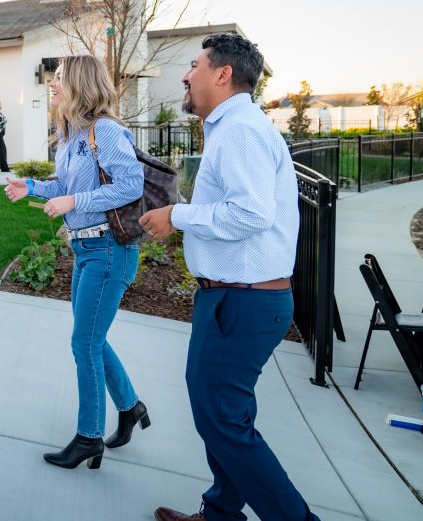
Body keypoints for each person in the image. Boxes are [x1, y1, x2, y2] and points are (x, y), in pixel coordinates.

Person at [139, 33, 320, 521]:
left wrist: (178, 215)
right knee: (226, 415)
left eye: (194, 64)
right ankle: (221, 511)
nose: (185, 74)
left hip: (243, 302)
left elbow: (251, 213)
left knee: (221, 420)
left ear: (222, 74)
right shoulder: (231, 127)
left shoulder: (240, 130)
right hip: (236, 298)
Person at [4, 55, 148, 470]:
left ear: (80, 84)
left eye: (60, 78)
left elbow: (130, 185)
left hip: (109, 252)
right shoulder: (71, 135)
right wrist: (29, 186)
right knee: (92, 339)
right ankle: (131, 407)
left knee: (83, 343)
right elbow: (65, 185)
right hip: (85, 251)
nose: (52, 83)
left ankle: (89, 437)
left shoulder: (106, 130)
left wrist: (75, 201)